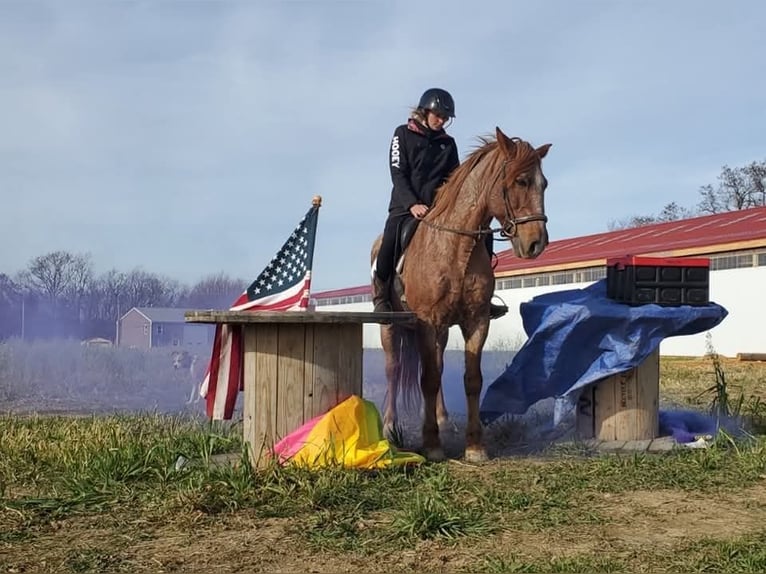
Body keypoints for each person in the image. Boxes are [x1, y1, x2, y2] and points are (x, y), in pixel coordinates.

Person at [372, 87, 507, 319]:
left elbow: (454, 180)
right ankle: (381, 296)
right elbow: (398, 173)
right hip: (406, 207)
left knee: (483, 231)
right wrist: (412, 203)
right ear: (425, 112)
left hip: (439, 209)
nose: (441, 121)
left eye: (445, 118)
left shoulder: (448, 143)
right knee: (390, 240)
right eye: (438, 116)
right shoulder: (402, 134)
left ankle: (485, 295)